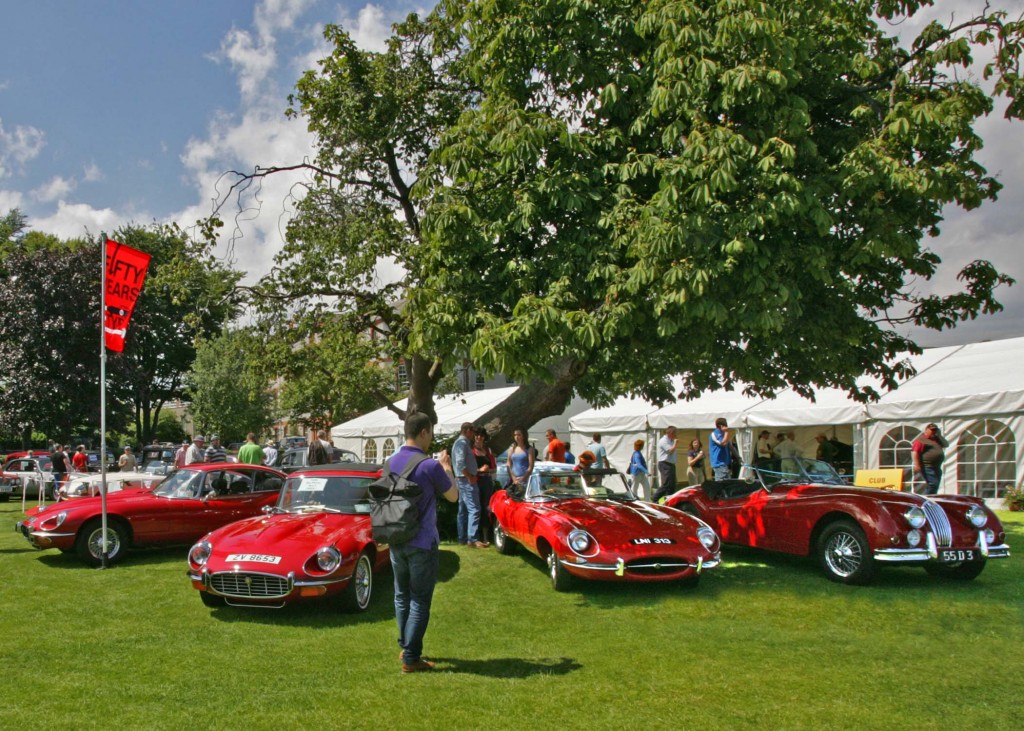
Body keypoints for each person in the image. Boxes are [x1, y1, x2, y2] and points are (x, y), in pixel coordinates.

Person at [386, 411, 458, 673]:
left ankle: (405, 647)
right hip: (422, 541)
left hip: (395, 536)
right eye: (431, 433)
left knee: (401, 595)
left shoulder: (390, 462)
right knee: (419, 599)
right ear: (424, 432)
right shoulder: (430, 465)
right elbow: (453, 496)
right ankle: (411, 658)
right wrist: (447, 468)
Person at [452, 422, 486, 548]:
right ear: (467, 430)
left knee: (463, 510)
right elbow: (460, 463)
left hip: (462, 480)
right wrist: (470, 476)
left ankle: (463, 538)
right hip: (466, 480)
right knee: (474, 509)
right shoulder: (462, 443)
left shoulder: (461, 443)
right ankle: (472, 539)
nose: (474, 434)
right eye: (472, 431)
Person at [472, 428, 497, 542]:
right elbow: (468, 469)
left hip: (486, 481)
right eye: (477, 435)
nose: (479, 437)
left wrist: (487, 470)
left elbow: (494, 469)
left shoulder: (488, 451)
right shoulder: (471, 451)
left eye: (481, 435)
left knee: (486, 506)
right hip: (476, 481)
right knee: (476, 507)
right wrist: (479, 470)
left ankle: (486, 536)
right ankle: (475, 536)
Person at [912, 423, 948, 495]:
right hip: (927, 466)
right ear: (926, 430)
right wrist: (917, 464)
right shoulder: (921, 440)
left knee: (936, 485)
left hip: (936, 466)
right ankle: (926, 499)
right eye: (932, 430)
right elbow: (915, 452)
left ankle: (932, 498)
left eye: (935, 430)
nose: (933, 432)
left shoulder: (937, 439)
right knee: (933, 484)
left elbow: (946, 444)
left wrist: (939, 435)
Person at [654, 426, 678, 502]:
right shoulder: (663, 441)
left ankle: (669, 500)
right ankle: (655, 497)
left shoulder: (670, 440)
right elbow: (670, 451)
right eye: (674, 433)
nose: (676, 435)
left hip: (671, 464)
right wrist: (675, 443)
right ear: (670, 433)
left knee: (672, 484)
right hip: (665, 464)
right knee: (666, 483)